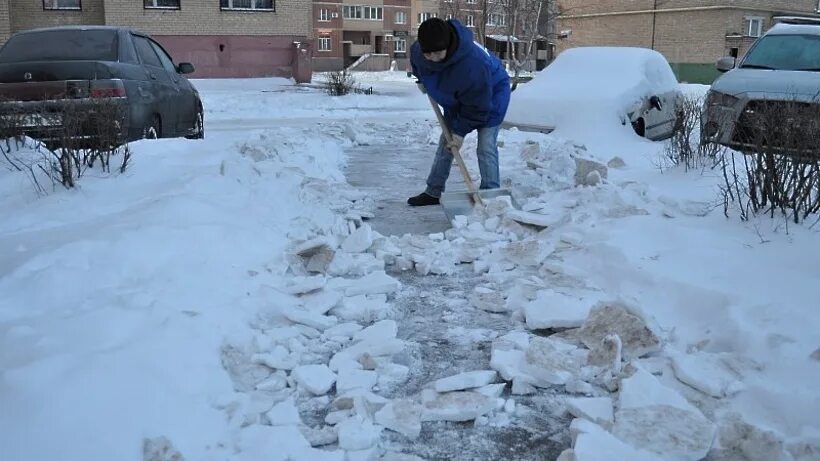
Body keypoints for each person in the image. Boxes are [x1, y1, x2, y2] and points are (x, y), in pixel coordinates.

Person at [407, 17, 511, 206]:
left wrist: (460, 132)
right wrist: (421, 79)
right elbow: (418, 64)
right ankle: (433, 192)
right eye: (428, 54)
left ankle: (490, 195)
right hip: (458, 95)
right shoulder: (419, 51)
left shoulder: (472, 64)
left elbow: (478, 106)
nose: (433, 58)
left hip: (491, 94)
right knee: (447, 143)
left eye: (438, 53)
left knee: (486, 146)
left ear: (448, 45)